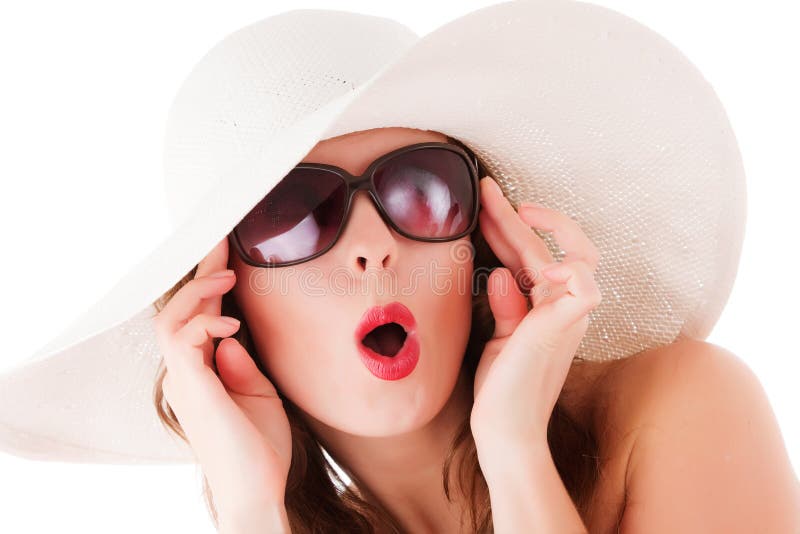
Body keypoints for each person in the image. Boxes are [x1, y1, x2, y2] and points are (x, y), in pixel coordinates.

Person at [151, 126, 800, 533]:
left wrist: (515, 450)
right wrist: (251, 513)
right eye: (295, 215)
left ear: (478, 241)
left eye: (422, 189)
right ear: (216, 296)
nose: (373, 247)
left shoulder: (679, 406)